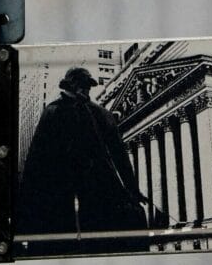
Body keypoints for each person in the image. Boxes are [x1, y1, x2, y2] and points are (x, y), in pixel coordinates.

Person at [17, 67, 147, 234]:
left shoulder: (100, 114)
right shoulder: (53, 111)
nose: (85, 89)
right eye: (81, 85)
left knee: (99, 232)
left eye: (87, 85)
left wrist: (133, 189)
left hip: (96, 187)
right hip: (62, 189)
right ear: (69, 86)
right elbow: (36, 159)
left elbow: (120, 155)